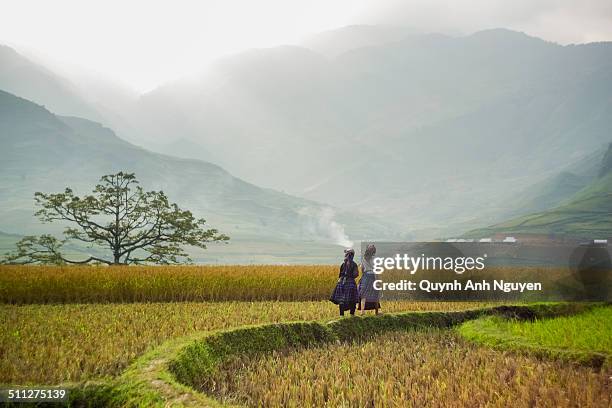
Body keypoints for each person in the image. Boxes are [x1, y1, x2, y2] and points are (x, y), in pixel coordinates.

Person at [330, 248, 360, 316]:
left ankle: (341, 315)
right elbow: (355, 275)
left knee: (341, 300)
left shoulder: (343, 264)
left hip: (342, 283)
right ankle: (352, 315)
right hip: (351, 283)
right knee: (353, 300)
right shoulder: (354, 264)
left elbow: (340, 275)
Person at [358, 244, 381, 315]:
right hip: (372, 276)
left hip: (365, 276)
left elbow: (362, 269)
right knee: (375, 294)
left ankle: (362, 311)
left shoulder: (363, 258)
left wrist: (363, 276)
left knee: (364, 294)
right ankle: (376, 312)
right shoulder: (375, 259)